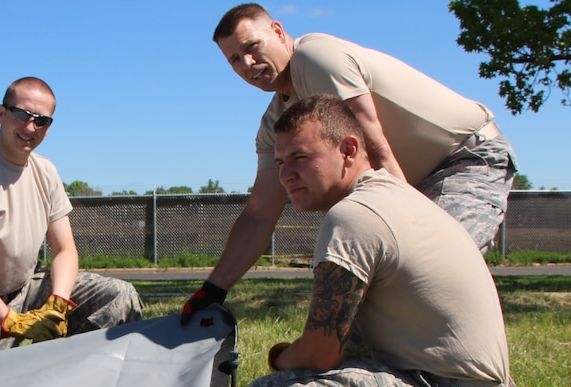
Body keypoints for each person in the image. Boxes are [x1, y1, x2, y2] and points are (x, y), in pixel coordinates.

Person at [238, 94, 553, 387]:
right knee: (351, 350)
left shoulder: (352, 217)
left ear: (348, 150)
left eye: (301, 158)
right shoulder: (398, 196)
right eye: (281, 160)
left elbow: (320, 351)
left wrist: (279, 359)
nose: (286, 174)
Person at [181, 3, 517, 323]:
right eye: (235, 59)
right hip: (408, 185)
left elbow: (374, 143)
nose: (248, 63)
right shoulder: (275, 125)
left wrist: (410, 228)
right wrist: (213, 289)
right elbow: (260, 211)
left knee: (438, 273)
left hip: (464, 159)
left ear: (279, 31)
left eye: (252, 46)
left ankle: (479, 378)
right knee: (376, 301)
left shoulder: (315, 57)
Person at [0, 76, 142, 361]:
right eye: (22, 115)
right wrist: (10, 320)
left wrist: (57, 302)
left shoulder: (45, 171)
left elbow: (65, 250)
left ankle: (86, 382)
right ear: (1, 114)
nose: (30, 127)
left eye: (41, 120)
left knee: (118, 295)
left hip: (27, 292)